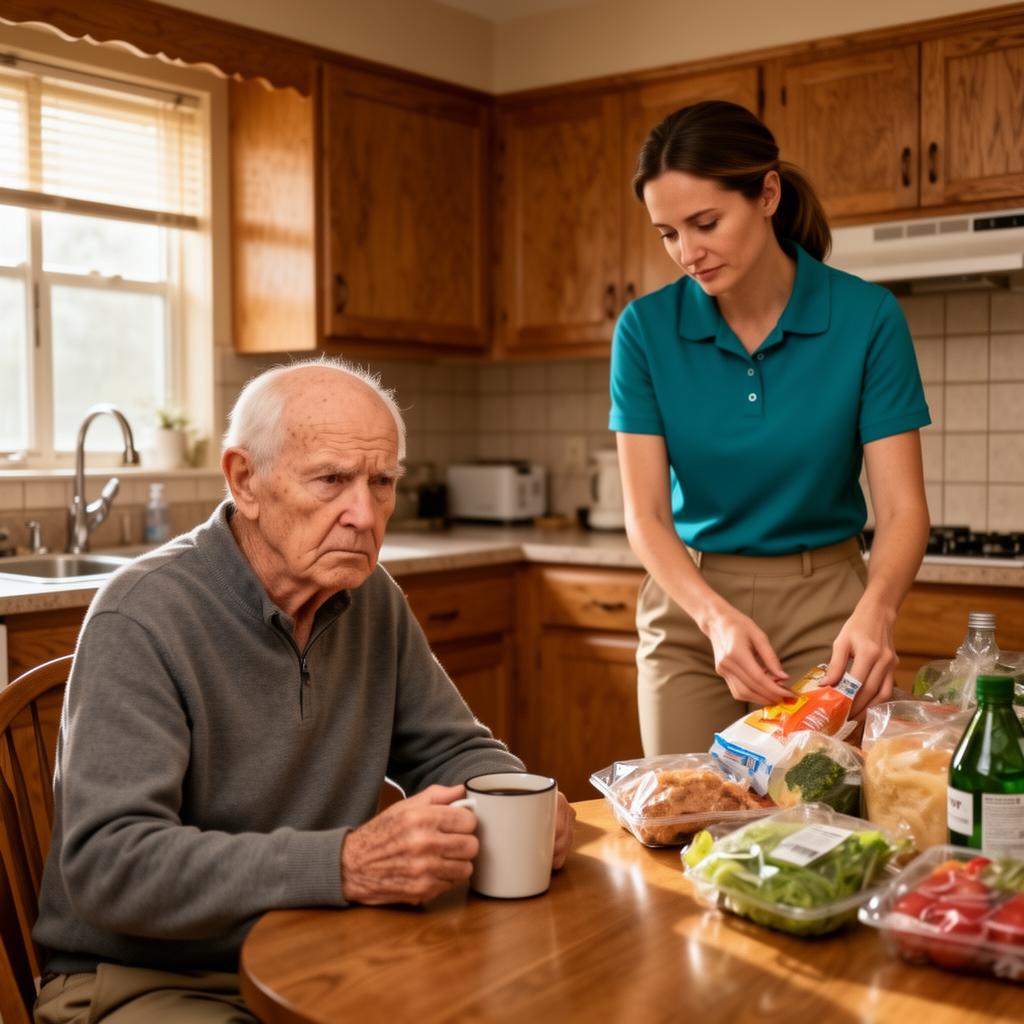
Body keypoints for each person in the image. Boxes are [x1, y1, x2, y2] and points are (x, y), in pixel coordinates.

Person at [33, 358, 575, 1023]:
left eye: (382, 482)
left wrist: (519, 804)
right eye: (332, 480)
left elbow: (454, 752)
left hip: (322, 945)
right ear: (245, 480)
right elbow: (109, 864)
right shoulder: (142, 615)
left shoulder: (371, 597)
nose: (363, 513)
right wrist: (343, 864)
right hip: (146, 980)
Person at [610, 100, 930, 756]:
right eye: (668, 233)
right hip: (693, 614)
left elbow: (902, 509)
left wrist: (878, 613)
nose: (687, 253)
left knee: (818, 829)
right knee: (682, 821)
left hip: (829, 614)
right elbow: (644, 516)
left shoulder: (868, 318)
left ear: (767, 194)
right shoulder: (644, 330)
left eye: (705, 223)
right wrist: (713, 618)